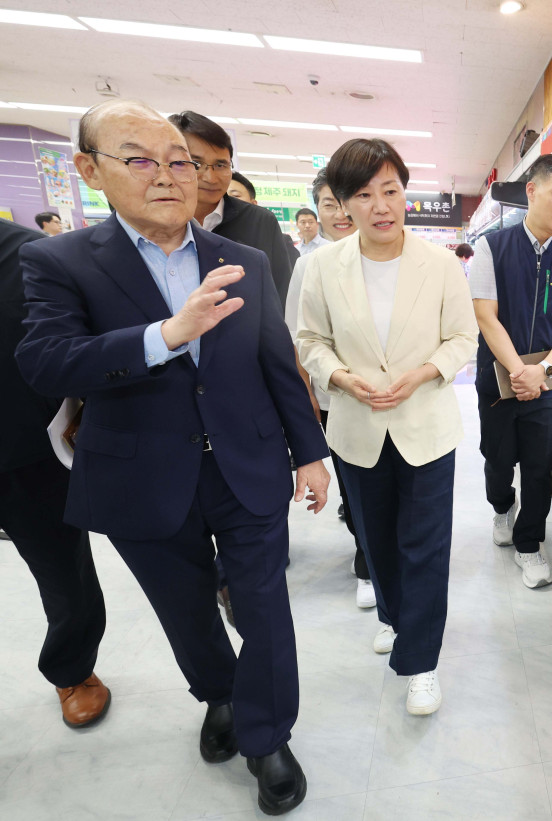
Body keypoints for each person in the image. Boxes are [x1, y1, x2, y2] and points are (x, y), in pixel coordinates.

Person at [16, 100, 330, 816]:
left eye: (180, 161)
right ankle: (220, 695)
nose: (167, 175)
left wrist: (309, 453)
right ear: (89, 169)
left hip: (248, 462)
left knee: (263, 606)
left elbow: (276, 361)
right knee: (185, 609)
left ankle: (267, 736)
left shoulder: (244, 259)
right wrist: (164, 335)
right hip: (139, 473)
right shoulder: (59, 260)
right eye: (140, 159)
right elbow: (46, 360)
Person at [297, 138, 476, 713]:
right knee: (375, 540)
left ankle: (421, 661)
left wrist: (424, 373)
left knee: (425, 545)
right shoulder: (322, 266)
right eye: (364, 195)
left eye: (391, 191)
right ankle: (395, 619)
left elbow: (463, 338)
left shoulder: (440, 264)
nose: (380, 206)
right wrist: (341, 378)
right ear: (343, 204)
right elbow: (310, 340)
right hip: (357, 427)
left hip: (426, 425)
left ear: (405, 194)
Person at [1, 217, 110, 729]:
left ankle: (73, 669)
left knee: (63, 572)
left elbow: (81, 341)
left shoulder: (28, 254)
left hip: (23, 450)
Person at [471, 153, 552, 589]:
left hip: (549, 380)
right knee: (497, 459)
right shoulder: (492, 248)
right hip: (498, 378)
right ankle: (502, 506)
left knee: (539, 467)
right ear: (532, 190)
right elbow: (486, 316)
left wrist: (542, 369)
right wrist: (517, 371)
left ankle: (530, 543)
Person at [283, 170, 376, 615]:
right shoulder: (310, 265)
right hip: (333, 400)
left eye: (348, 199)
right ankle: (367, 564)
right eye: (328, 203)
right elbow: (298, 338)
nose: (340, 212)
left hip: (392, 398)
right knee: (354, 486)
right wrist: (306, 400)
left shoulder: (389, 255)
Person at [168, 110, 300, 303]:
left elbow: (281, 291)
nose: (211, 178)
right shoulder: (158, 221)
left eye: (221, 165)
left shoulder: (260, 222)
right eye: (196, 164)